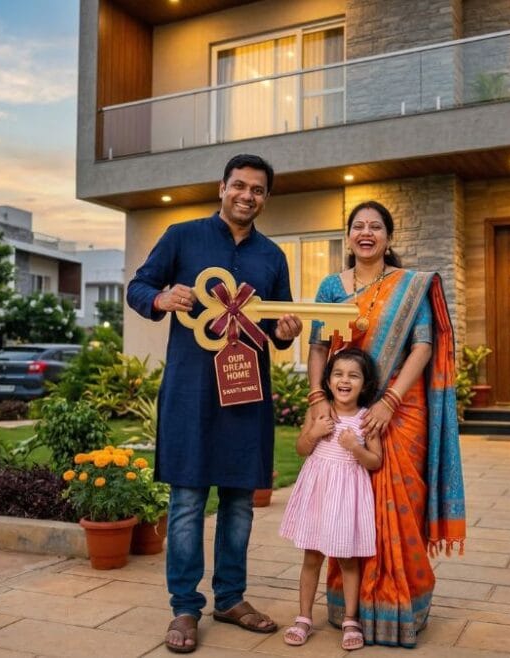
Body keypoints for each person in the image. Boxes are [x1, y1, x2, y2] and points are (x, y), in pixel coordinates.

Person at [126, 153, 302, 654]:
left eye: (258, 190)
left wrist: (287, 332)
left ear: (266, 198)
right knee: (186, 501)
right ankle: (185, 606)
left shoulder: (272, 256)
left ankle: (230, 598)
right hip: (191, 391)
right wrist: (160, 299)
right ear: (221, 187)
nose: (248, 195)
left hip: (246, 393)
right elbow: (138, 287)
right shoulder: (182, 237)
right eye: (239, 186)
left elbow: (278, 325)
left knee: (240, 503)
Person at [305, 199, 467, 647]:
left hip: (400, 409)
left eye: (375, 226)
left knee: (400, 506)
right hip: (346, 406)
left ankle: (401, 605)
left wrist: (390, 401)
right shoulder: (331, 287)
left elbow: (422, 345)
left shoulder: (410, 286)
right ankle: (350, 611)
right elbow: (319, 346)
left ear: (389, 237)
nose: (366, 233)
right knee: (347, 507)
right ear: (348, 237)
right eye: (358, 226)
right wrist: (318, 397)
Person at [279, 347, 384, 651]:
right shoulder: (319, 413)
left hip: (347, 497)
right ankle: (304, 618)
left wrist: (355, 447)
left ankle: (351, 620)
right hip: (319, 495)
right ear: (328, 381)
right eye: (338, 374)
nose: (345, 380)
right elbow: (301, 449)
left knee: (348, 560)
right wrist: (314, 433)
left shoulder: (366, 419)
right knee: (311, 558)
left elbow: (375, 461)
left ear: (365, 384)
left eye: (353, 375)